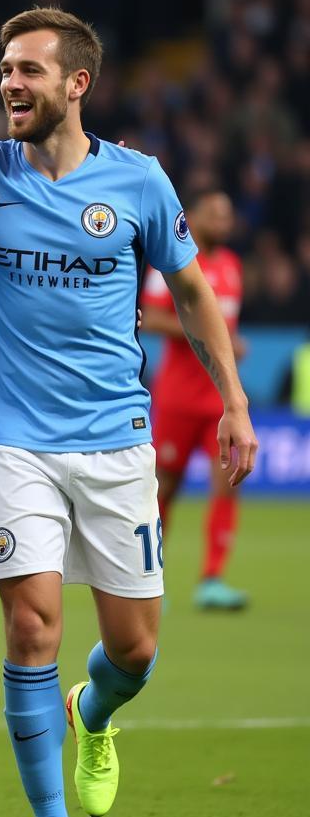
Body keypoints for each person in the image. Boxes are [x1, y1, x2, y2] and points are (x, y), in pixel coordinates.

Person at [0, 7, 257, 817]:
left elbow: (192, 293)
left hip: (117, 439)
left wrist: (234, 399)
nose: (11, 82)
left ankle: (94, 711)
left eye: (29, 71)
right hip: (16, 443)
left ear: (76, 83)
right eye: (5, 68)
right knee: (30, 626)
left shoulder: (140, 182)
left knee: (134, 650)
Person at [141, 189, 248, 609]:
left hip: (221, 402)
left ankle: (212, 580)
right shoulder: (172, 260)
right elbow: (150, 317)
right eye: (215, 215)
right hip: (179, 398)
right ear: (194, 217)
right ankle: (149, 578)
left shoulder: (233, 266)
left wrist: (230, 345)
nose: (223, 222)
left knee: (228, 484)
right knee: (165, 486)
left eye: (228, 215)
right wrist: (202, 329)